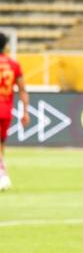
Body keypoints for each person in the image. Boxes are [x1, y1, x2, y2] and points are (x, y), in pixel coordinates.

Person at [0, 33, 30, 191]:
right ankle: (1, 175)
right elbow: (23, 90)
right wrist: (25, 111)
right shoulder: (14, 64)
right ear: (5, 45)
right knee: (1, 144)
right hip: (5, 109)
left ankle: (2, 176)